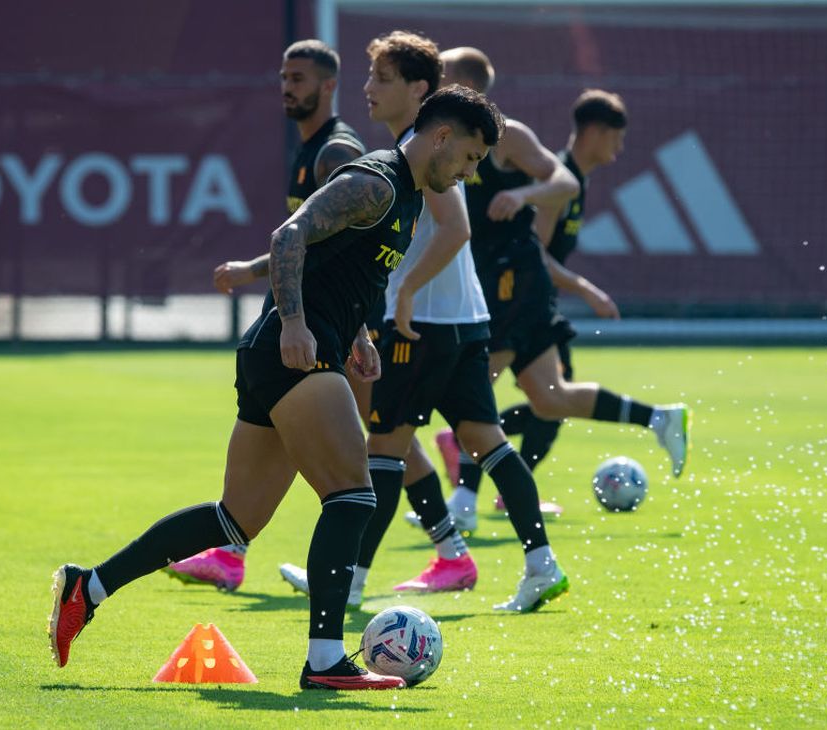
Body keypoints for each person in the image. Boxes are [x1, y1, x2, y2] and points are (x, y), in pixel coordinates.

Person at [48, 84, 503, 690]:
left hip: (292, 351)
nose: (470, 173)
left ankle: (89, 586)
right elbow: (290, 235)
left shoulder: (410, 197)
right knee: (353, 495)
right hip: (293, 350)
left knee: (234, 520)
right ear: (442, 136)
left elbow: (339, 262)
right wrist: (293, 322)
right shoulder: (377, 180)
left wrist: (358, 334)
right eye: (470, 157)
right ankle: (325, 661)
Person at [278, 35, 570, 613]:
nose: (368, 89)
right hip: (464, 319)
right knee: (484, 442)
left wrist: (406, 291)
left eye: (381, 79)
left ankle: (350, 580)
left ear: (417, 91)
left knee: (384, 451)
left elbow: (456, 228)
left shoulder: (424, 150)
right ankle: (541, 564)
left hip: (427, 324)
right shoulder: (413, 148)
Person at [441, 52, 691, 529]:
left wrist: (522, 195)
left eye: (440, 75)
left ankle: (465, 504)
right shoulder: (441, 141)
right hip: (501, 282)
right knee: (551, 399)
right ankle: (659, 419)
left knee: (476, 386)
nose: (431, 83)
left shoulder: (506, 136)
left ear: (464, 83)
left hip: (514, 283)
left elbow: (558, 187)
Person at [163, 40, 366, 593]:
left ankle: (441, 545)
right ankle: (231, 552)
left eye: (298, 78)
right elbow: (304, 242)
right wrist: (253, 270)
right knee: (363, 441)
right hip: (309, 324)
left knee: (385, 443)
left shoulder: (335, 154)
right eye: (283, 77)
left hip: (322, 326)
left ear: (329, 85)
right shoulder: (308, 150)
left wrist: (358, 329)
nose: (286, 87)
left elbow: (348, 250)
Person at [499, 89, 628, 479]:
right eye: (616, 137)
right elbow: (535, 253)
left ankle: (486, 469)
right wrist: (587, 290)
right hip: (522, 304)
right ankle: (481, 471)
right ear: (594, 132)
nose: (620, 148)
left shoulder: (576, 182)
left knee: (552, 399)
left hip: (536, 302)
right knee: (554, 398)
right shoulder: (558, 181)